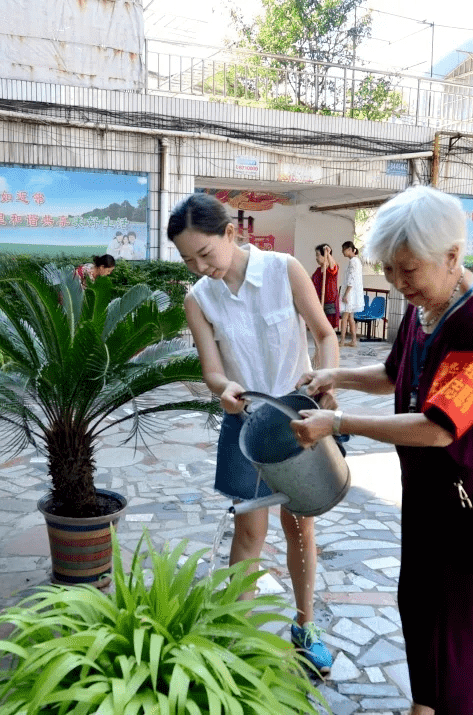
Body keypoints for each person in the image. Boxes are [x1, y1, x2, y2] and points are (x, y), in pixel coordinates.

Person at [289, 185, 473, 715]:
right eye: (391, 271)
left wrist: (336, 421)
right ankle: (424, 705)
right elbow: (392, 372)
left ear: (452, 256)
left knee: (457, 637)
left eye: (409, 271)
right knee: (419, 607)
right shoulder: (428, 306)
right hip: (429, 495)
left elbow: (440, 427)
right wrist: (334, 374)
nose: (400, 285)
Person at [167, 192, 338, 676]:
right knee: (250, 529)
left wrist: (328, 379)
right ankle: (235, 636)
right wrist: (224, 390)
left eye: (205, 253)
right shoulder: (198, 298)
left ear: (231, 234)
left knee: (301, 527)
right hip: (246, 424)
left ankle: (305, 628)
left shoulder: (285, 270)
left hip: (300, 417)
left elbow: (324, 335)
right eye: (188, 260)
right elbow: (212, 371)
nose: (200, 267)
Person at [339, 240, 365, 347]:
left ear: (349, 249)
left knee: (345, 318)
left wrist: (345, 294)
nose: (342, 252)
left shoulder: (353, 262)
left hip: (350, 293)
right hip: (353, 294)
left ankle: (342, 341)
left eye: (344, 250)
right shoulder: (357, 261)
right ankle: (353, 341)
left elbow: (351, 279)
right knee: (351, 318)